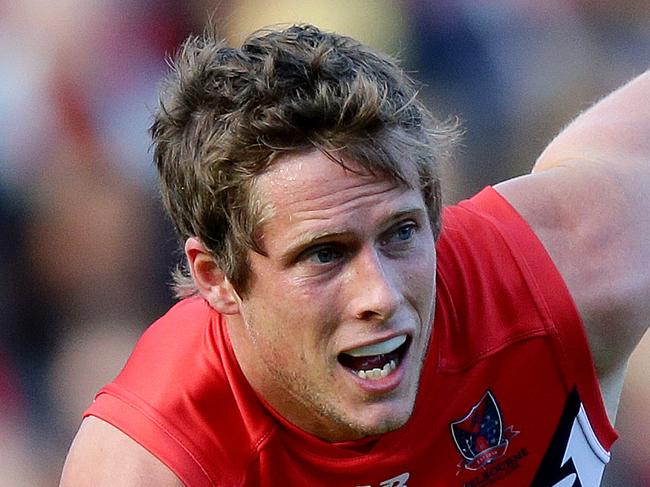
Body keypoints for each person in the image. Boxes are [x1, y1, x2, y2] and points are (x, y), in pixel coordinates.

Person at [60, 24, 649, 486]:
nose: (382, 295)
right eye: (325, 255)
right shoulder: (154, 464)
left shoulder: (566, 270)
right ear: (216, 278)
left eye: (400, 233)